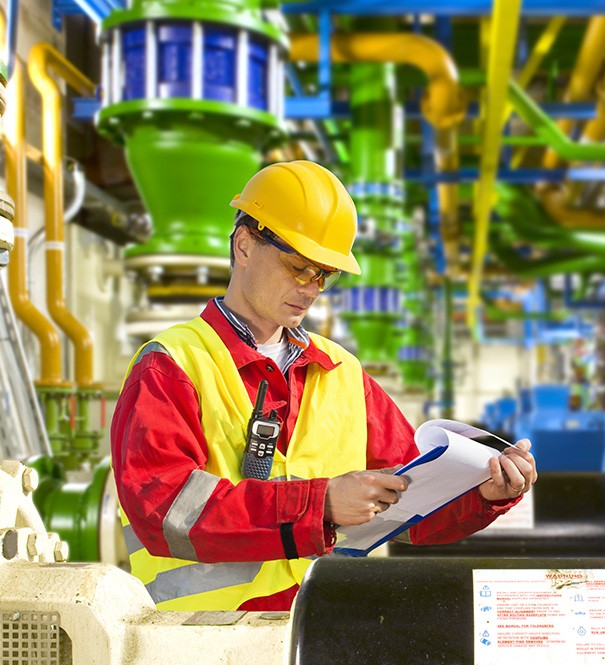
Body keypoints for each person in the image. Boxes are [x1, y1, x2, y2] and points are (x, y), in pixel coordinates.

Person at [110, 160, 537, 612]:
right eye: (298, 267)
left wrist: (482, 495)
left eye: (324, 275)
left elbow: (411, 507)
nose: (312, 289)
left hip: (325, 636)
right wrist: (321, 503)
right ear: (244, 245)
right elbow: (163, 510)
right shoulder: (171, 366)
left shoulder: (341, 372)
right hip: (206, 649)